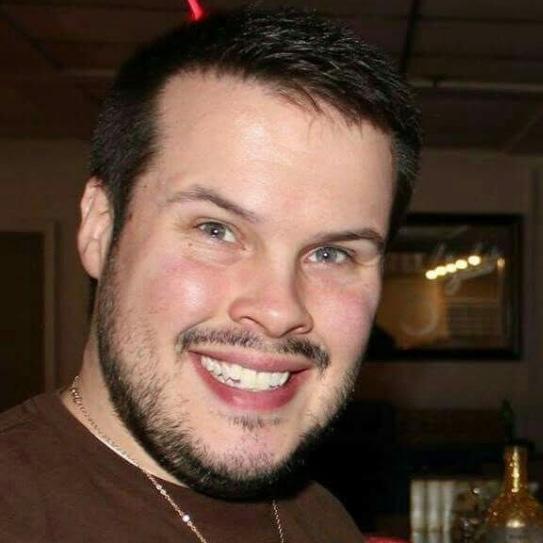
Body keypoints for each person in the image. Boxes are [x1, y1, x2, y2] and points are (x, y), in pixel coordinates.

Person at [0, 5, 421, 541]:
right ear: (100, 230)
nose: (279, 310)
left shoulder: (322, 518)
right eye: (216, 230)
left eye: (332, 254)